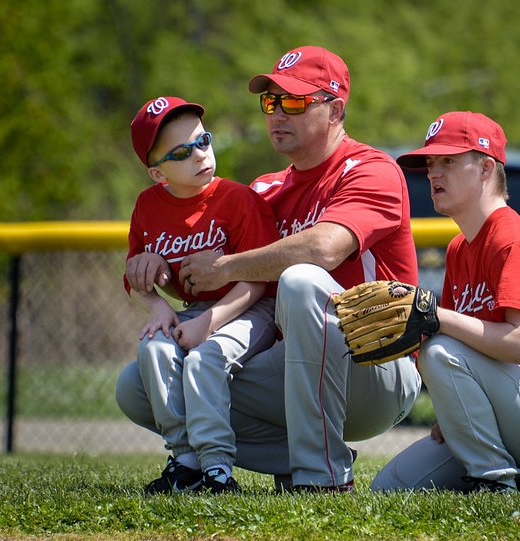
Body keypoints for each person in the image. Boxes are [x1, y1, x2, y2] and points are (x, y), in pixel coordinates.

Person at [118, 46, 421, 492]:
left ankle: (322, 477)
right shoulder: (264, 189)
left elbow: (322, 249)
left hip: (375, 365)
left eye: (295, 101)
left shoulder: (371, 169)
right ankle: (294, 455)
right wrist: (155, 264)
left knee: (301, 280)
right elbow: (200, 265)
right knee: (141, 385)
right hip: (294, 366)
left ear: (336, 109)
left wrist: (226, 266)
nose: (278, 112)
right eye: (271, 101)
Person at [371, 111, 520, 493]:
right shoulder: (460, 248)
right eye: (430, 163)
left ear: (485, 168)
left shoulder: (514, 240)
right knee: (390, 487)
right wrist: (457, 407)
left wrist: (435, 317)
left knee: (439, 347)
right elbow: (470, 348)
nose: (433, 173)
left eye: (448, 161)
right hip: (509, 408)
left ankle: (493, 481)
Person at [120, 96, 280, 494]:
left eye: (203, 141)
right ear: (159, 174)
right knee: (153, 348)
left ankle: (217, 469)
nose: (200, 155)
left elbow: (257, 282)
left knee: (205, 357)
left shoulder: (238, 198)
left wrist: (209, 323)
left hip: (251, 307)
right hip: (196, 310)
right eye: (182, 152)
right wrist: (157, 306)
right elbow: (134, 277)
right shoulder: (147, 206)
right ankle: (186, 461)